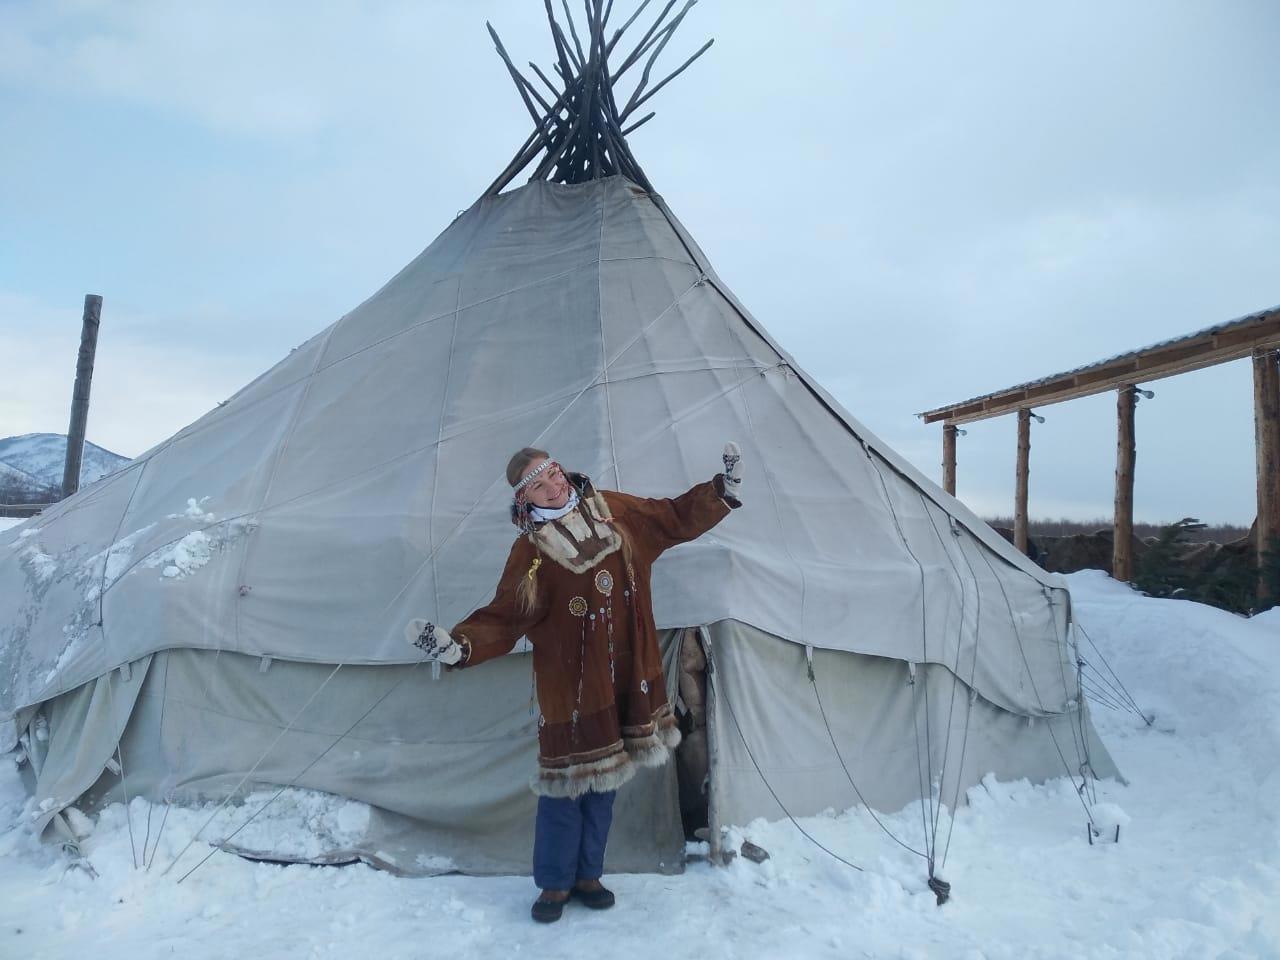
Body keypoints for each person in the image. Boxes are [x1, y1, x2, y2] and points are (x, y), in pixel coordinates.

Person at [406, 443, 743, 922]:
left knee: (605, 782)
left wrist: (721, 488)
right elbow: (506, 616)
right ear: (525, 499)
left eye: (553, 473)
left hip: (627, 670)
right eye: (538, 484)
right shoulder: (532, 551)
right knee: (566, 786)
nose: (553, 485)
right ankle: (554, 884)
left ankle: (589, 875)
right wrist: (460, 646)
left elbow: (670, 518)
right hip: (573, 684)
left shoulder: (613, 511)